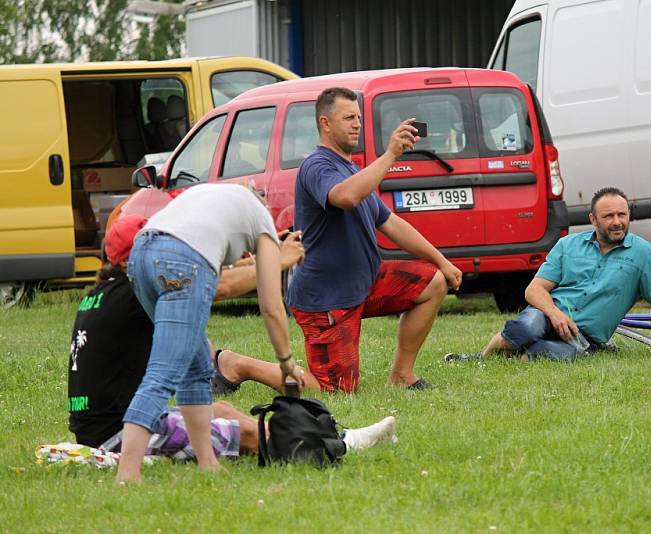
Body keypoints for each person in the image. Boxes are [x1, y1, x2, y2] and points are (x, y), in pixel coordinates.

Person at [69, 214, 395, 471]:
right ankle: (340, 446)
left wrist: (262, 255)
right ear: (133, 259)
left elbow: (210, 272)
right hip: (118, 433)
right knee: (250, 436)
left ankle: (336, 434)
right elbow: (217, 285)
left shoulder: (106, 295)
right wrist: (276, 263)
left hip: (103, 423)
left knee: (221, 409)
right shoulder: (136, 293)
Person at [115, 183, 307, 482]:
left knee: (199, 363)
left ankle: (208, 462)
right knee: (164, 372)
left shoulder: (212, 199)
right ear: (265, 206)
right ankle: (127, 473)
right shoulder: (263, 221)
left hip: (141, 254)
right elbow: (271, 305)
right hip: (182, 258)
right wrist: (286, 362)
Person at [286, 87, 463, 393]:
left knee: (433, 282)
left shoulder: (352, 168)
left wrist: (441, 261)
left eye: (358, 117)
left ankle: (402, 375)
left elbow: (391, 223)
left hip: (365, 284)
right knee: (336, 392)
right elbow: (346, 197)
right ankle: (237, 365)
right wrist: (392, 154)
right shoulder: (317, 166)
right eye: (348, 118)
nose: (356, 124)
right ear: (325, 124)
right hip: (327, 300)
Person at [447, 187, 651, 361]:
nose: (617, 222)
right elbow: (534, 289)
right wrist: (555, 313)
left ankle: (517, 353)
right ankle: (483, 358)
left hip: (584, 338)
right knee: (523, 330)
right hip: (548, 314)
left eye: (622, 215)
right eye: (609, 216)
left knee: (537, 356)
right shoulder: (567, 245)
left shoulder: (645, 254)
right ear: (593, 219)